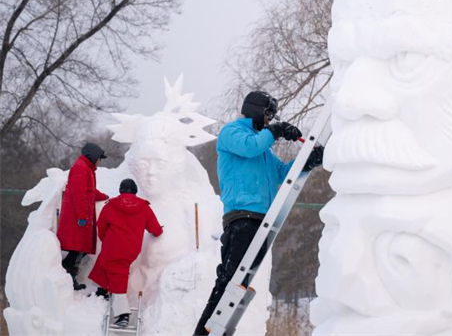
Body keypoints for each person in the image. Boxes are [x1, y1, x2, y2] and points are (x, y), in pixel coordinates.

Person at [193, 91, 324, 335]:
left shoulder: (265, 150)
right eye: (268, 114)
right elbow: (250, 147)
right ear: (254, 110)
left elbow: (282, 174)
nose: (269, 119)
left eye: (272, 116)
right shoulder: (232, 133)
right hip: (241, 217)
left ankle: (219, 330)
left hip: (261, 221)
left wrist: (307, 161)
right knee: (230, 279)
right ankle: (204, 332)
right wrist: (277, 130)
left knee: (238, 284)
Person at [89, 178, 163, 329]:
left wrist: (107, 240)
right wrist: (158, 231)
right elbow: (155, 228)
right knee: (107, 264)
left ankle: (123, 315)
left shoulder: (111, 206)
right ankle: (102, 289)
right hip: (131, 249)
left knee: (117, 275)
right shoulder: (144, 208)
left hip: (112, 245)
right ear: (135, 191)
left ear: (120, 191)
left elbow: (101, 227)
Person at [57, 142, 109, 290]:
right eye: (99, 158)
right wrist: (81, 216)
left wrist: (104, 196)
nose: (100, 161)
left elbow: (89, 191)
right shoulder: (81, 168)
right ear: (92, 156)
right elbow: (79, 194)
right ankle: (67, 274)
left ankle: (70, 275)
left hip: (81, 216)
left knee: (81, 247)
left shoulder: (86, 168)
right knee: (78, 247)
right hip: (76, 218)